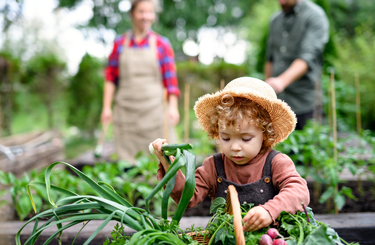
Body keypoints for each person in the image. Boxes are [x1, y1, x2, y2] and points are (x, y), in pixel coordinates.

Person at [151, 77, 309, 231]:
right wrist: (169, 164)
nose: (234, 147)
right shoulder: (214, 166)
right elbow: (187, 198)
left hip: (268, 240)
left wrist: (270, 210)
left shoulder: (276, 162)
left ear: (266, 134)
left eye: (246, 139)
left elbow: (299, 191)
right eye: (225, 138)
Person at [101, 0, 180, 164]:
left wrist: (173, 108)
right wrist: (106, 108)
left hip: (155, 112)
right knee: (127, 165)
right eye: (141, 12)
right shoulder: (119, 44)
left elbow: (170, 81)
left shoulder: (161, 44)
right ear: (132, 14)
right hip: (126, 113)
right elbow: (110, 78)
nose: (146, 16)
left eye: (150, 12)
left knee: (161, 162)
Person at [264, 0, 329, 130]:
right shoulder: (275, 20)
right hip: (279, 104)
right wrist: (267, 90)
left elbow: (307, 57)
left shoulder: (314, 15)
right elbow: (270, 58)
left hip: (305, 102)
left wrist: (281, 81)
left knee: (310, 147)